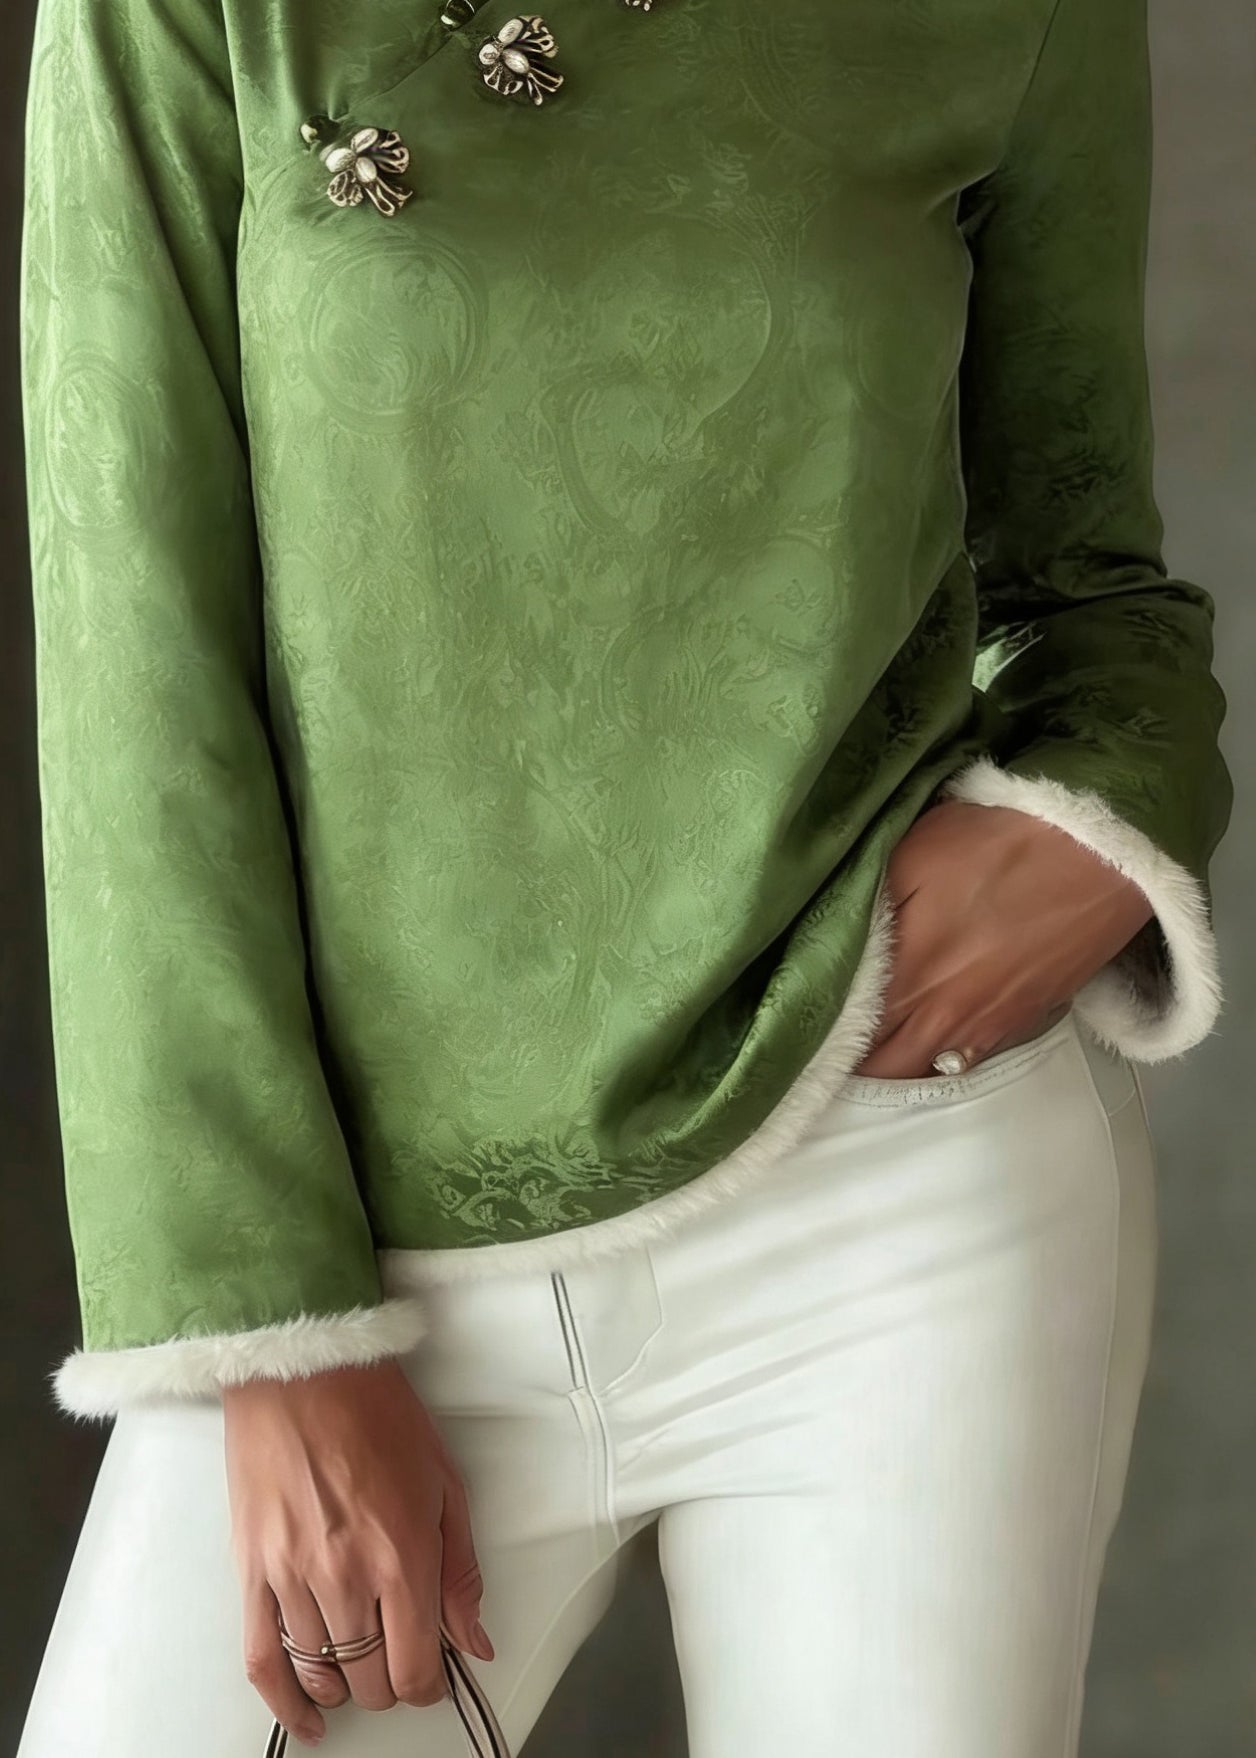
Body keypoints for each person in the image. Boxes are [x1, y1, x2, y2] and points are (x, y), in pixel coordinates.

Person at [15, 0, 1232, 1753]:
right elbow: (130, 659)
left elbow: (1091, 580)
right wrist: (274, 1335)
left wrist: (1094, 820)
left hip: (893, 1187)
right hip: (360, 1243)